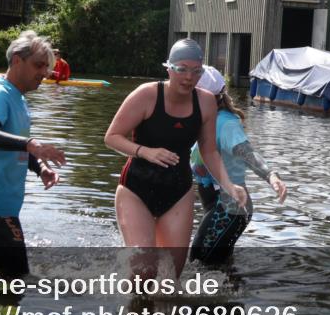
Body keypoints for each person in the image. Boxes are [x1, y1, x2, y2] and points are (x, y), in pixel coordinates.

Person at [104, 39, 246, 279]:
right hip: (136, 188)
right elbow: (112, 137)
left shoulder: (206, 102)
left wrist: (229, 186)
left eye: (196, 71)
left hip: (177, 191)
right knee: (144, 271)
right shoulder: (147, 95)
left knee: (170, 276)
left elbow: (209, 151)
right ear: (169, 69)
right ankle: (132, 309)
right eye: (181, 69)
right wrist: (145, 151)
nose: (188, 77)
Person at [0, 30, 67, 277]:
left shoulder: (16, 97)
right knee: (16, 278)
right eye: (39, 65)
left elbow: (12, 146)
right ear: (17, 60)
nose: (45, 73)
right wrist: (31, 144)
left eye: (47, 67)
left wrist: (40, 168)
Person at [189, 66, 287, 264]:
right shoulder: (203, 121)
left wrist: (271, 176)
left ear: (206, 97)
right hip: (215, 203)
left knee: (198, 262)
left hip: (230, 207)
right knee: (218, 264)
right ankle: (233, 292)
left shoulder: (225, 124)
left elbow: (247, 152)